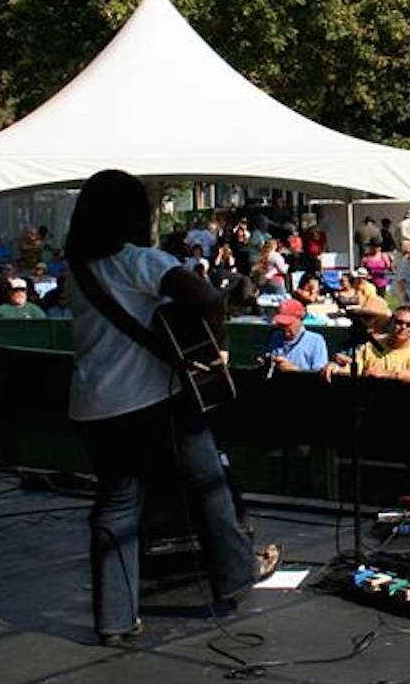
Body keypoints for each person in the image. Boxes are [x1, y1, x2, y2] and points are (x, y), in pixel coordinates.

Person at [64, 170, 271, 646]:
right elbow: (206, 297)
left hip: (94, 406)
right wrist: (214, 348)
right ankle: (236, 576)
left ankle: (114, 620)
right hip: (153, 401)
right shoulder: (139, 261)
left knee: (116, 507)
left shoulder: (74, 268)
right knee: (209, 484)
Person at [260, 298, 329, 374]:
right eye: (281, 324)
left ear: (299, 320)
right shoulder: (275, 337)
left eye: (288, 324)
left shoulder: (316, 341)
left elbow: (320, 376)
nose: (284, 328)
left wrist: (294, 370)